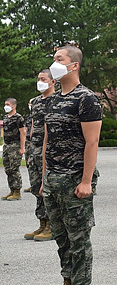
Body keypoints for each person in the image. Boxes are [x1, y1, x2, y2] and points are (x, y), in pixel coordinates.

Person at [37, 45, 103, 285]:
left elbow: (92, 142)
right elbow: (47, 140)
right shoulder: (52, 99)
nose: (54, 64)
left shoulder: (86, 99)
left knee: (78, 238)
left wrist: (86, 180)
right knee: (62, 237)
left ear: (73, 65)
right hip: (53, 179)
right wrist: (44, 177)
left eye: (59, 59)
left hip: (75, 178)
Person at [24, 71, 56, 240]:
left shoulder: (56, 100)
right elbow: (33, 126)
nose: (39, 82)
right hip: (35, 148)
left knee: (48, 188)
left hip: (50, 148)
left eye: (43, 79)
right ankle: (42, 223)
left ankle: (51, 226)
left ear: (53, 82)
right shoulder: (36, 102)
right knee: (37, 187)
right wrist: (29, 149)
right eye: (38, 79)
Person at [2, 97, 26, 200]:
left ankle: (17, 192)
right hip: (7, 146)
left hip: (15, 146)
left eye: (8, 104)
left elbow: (22, 133)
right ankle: (11, 190)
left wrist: (22, 148)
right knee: (8, 169)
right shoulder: (6, 117)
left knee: (14, 169)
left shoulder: (18, 118)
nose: (6, 106)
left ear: (14, 106)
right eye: (5, 104)